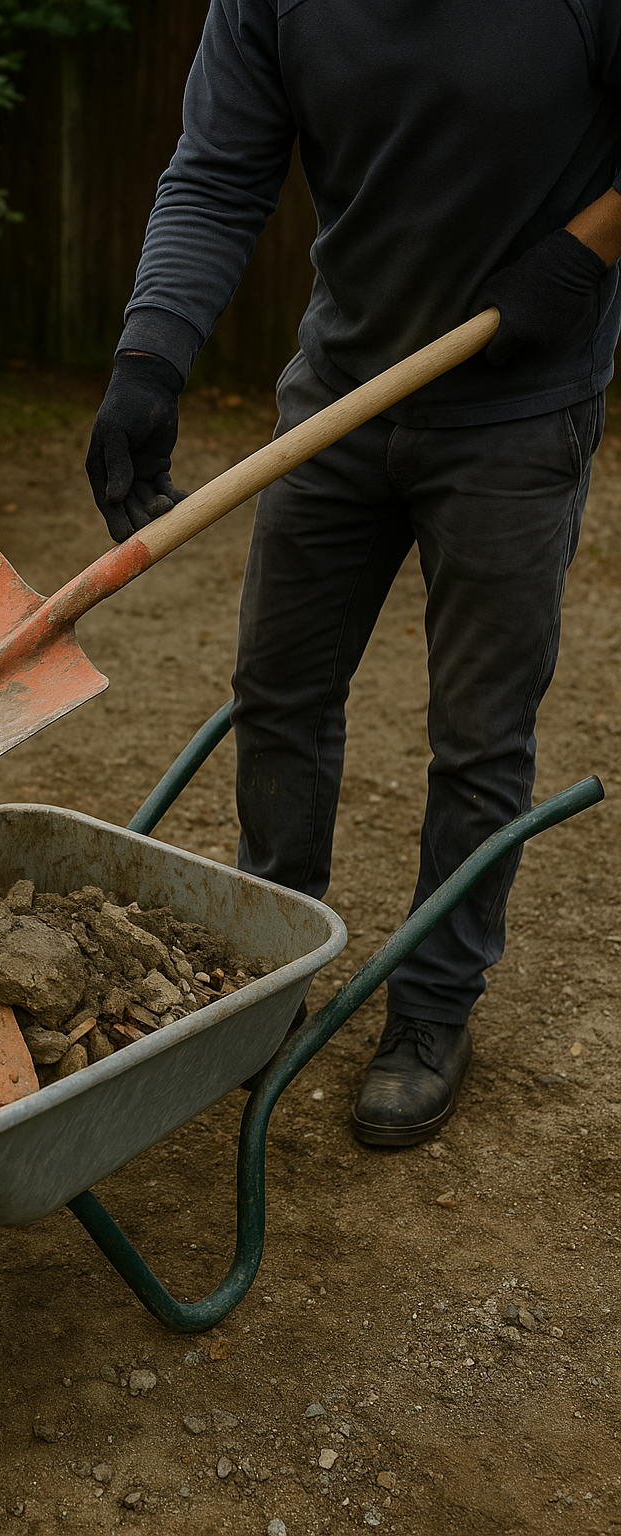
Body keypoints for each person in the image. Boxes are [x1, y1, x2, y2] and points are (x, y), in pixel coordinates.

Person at [85, 0, 621, 1146]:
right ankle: (274, 961)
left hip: (516, 413)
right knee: (278, 692)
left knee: (477, 733)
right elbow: (218, 172)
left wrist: (582, 254)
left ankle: (431, 1009)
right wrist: (150, 352)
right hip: (338, 399)